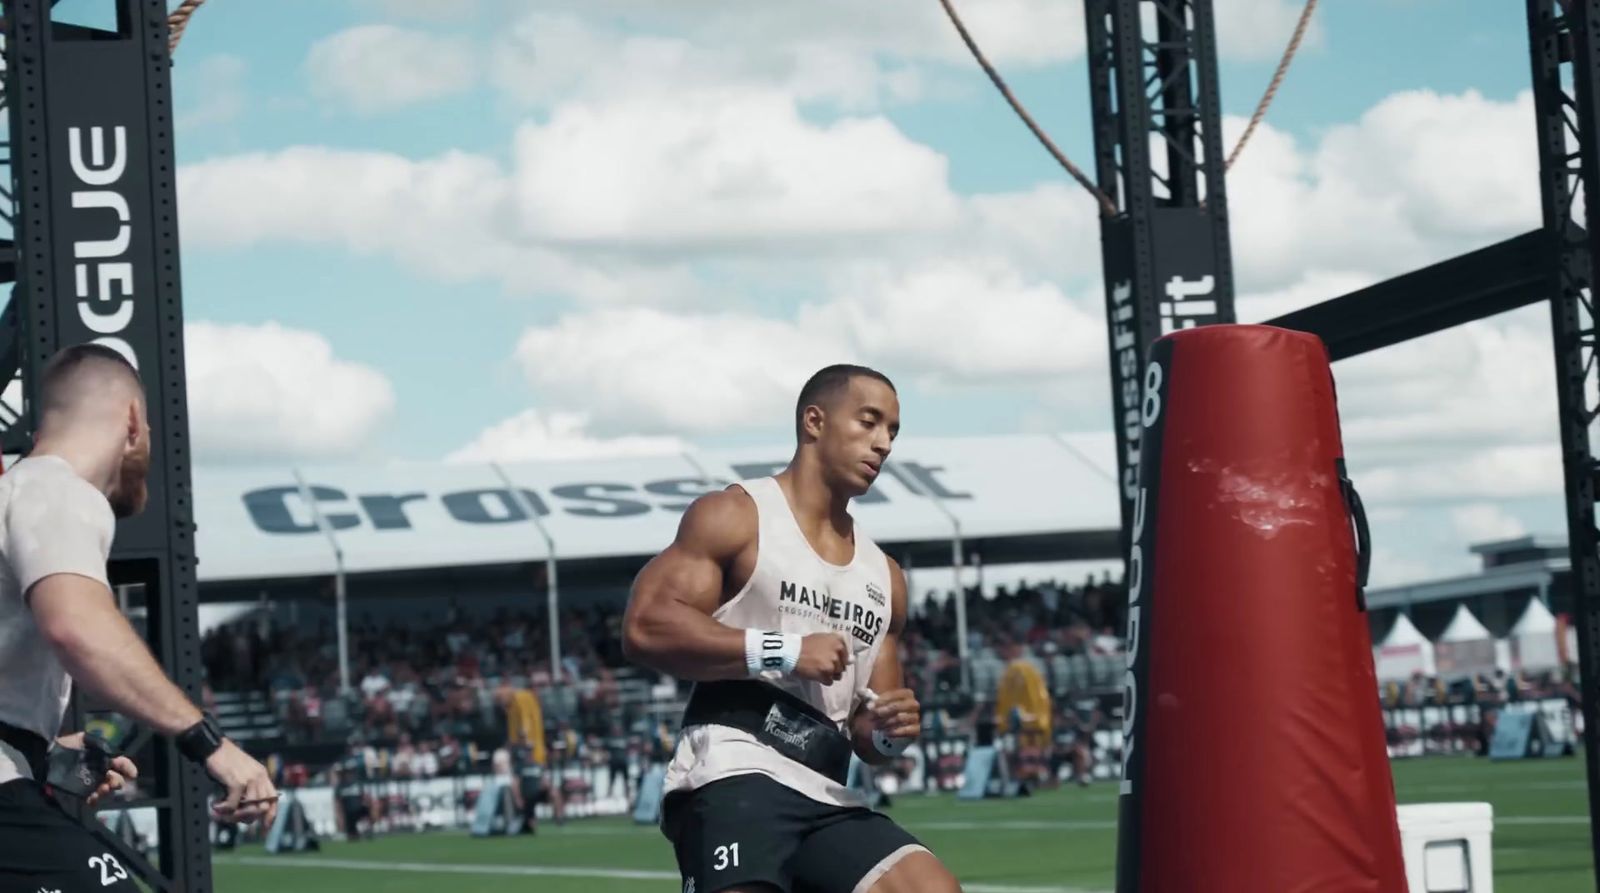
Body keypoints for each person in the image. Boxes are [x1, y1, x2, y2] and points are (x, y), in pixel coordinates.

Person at [623, 363, 962, 893]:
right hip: (735, 765)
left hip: (826, 791)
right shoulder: (736, 515)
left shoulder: (886, 577)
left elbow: (869, 736)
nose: (884, 444)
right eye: (869, 422)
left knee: (930, 889)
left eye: (892, 431)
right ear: (814, 421)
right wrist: (782, 650)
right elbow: (645, 627)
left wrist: (894, 732)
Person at [0, 344, 278, 891]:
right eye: (148, 428)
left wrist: (49, 753)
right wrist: (212, 745)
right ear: (131, 420)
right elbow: (76, 626)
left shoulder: (18, 493)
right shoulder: (57, 490)